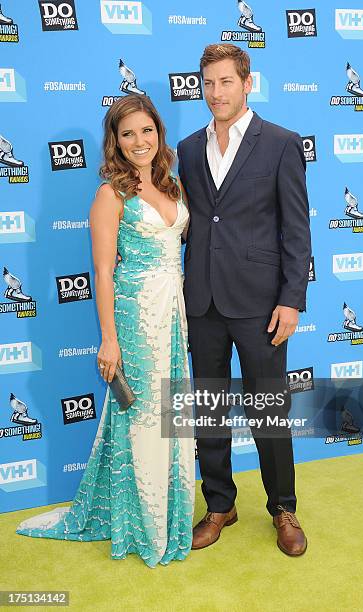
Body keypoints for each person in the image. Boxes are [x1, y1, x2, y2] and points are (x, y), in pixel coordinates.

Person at [16, 94, 195, 568]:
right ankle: (144, 527)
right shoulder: (110, 195)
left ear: (159, 132)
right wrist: (109, 339)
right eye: (128, 133)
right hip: (136, 319)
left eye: (147, 130)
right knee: (142, 421)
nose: (140, 141)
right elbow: (102, 272)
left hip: (173, 316)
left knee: (171, 418)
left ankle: (168, 517)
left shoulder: (172, 184)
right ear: (115, 142)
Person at [177, 43, 311, 556]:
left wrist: (291, 299)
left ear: (247, 83)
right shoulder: (188, 148)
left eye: (225, 82)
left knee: (268, 413)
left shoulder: (280, 143)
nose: (215, 93)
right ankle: (219, 505)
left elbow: (297, 231)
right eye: (207, 83)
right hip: (202, 301)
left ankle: (283, 507)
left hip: (260, 304)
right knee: (208, 412)